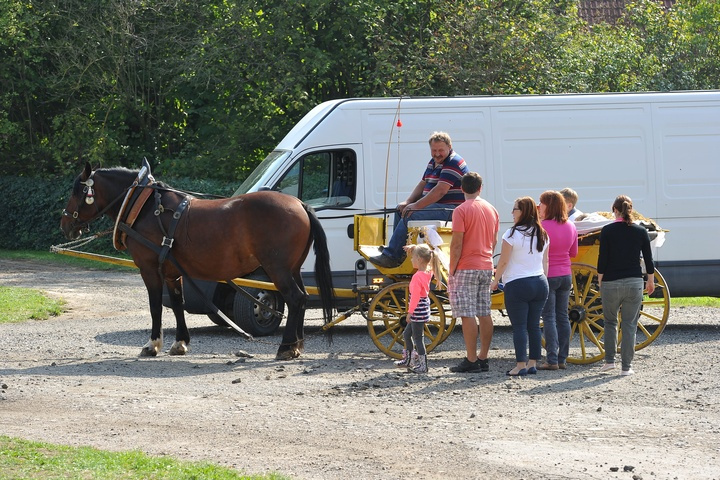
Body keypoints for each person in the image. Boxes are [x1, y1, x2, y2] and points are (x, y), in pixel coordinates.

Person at [370, 132, 468, 268]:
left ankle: (392, 256)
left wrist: (415, 206)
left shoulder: (453, 162)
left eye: (441, 150)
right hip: (439, 206)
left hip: (450, 209)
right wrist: (408, 202)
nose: (437, 154)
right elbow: (423, 184)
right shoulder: (433, 162)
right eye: (434, 150)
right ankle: (400, 252)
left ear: (449, 147)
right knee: (401, 210)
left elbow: (440, 191)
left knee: (411, 214)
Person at [597, 195, 655, 376]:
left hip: (611, 283)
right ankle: (626, 367)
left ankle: (609, 362)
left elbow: (602, 259)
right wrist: (650, 280)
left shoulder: (607, 231)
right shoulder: (640, 231)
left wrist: (600, 280)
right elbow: (648, 259)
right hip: (634, 282)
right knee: (629, 324)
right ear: (630, 210)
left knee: (610, 322)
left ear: (615, 210)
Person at [491, 197, 549, 376]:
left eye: (515, 209)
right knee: (534, 325)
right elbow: (545, 261)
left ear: (522, 211)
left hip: (518, 284)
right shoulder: (542, 233)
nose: (512, 213)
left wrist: (495, 281)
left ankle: (520, 365)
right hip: (540, 281)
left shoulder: (511, 234)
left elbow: (504, 261)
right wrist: (543, 279)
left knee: (519, 326)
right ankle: (532, 363)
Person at [447, 172, 499, 373]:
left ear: (461, 188)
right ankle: (483, 357)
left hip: (467, 265)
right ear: (480, 188)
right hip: (486, 264)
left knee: (467, 314)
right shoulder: (491, 209)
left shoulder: (460, 210)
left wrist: (452, 268)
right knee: (484, 312)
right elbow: (493, 241)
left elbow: (457, 243)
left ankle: (471, 359)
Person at [537, 191, 578, 371]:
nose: (539, 206)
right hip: (565, 274)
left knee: (549, 317)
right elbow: (573, 253)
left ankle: (551, 359)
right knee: (563, 317)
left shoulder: (542, 226)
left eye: (542, 203)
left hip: (549, 274)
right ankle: (562, 358)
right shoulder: (571, 225)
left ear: (549, 205)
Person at [394, 244, 441, 373]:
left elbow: (414, 297)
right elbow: (428, 257)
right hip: (423, 308)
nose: (411, 260)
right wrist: (415, 247)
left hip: (417, 310)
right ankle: (409, 360)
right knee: (407, 334)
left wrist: (409, 313)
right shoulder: (428, 272)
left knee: (417, 338)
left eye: (413, 257)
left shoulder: (416, 277)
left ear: (420, 259)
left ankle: (423, 365)